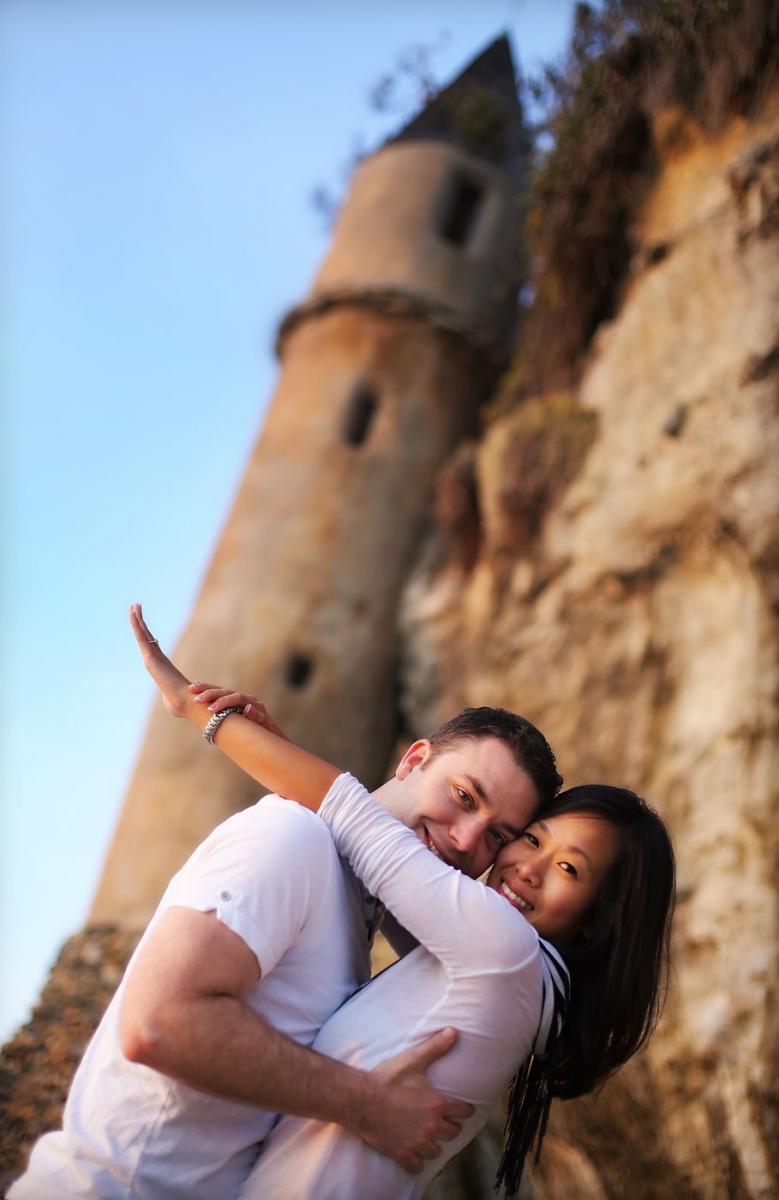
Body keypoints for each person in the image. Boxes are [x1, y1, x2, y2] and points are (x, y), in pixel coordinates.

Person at [10, 606, 562, 1200]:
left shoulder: (359, 905)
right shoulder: (292, 838)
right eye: (463, 796)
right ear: (412, 759)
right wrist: (366, 1102)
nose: (466, 840)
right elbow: (158, 1024)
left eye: (499, 837)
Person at [131, 605, 675, 1198]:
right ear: (415, 759)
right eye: (530, 840)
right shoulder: (507, 977)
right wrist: (273, 743)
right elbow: (374, 850)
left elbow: (358, 822)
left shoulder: (505, 949)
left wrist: (197, 710)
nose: (527, 868)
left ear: (598, 920)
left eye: (569, 868)